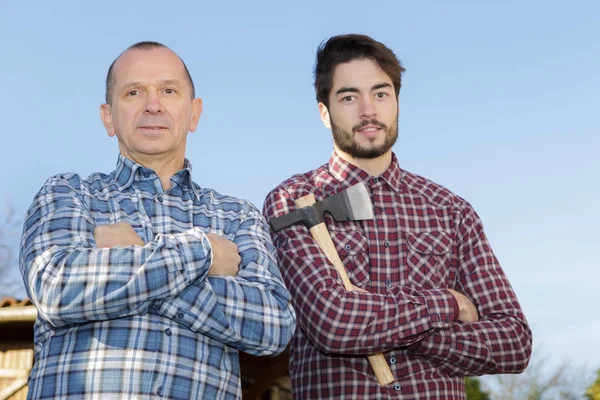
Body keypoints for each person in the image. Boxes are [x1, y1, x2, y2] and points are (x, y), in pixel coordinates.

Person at [19, 41, 295, 399]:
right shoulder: (68, 195)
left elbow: (272, 325)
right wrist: (201, 252)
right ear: (108, 117)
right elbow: (56, 287)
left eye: (169, 90)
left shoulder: (236, 216)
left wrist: (130, 261)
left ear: (194, 113)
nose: (153, 105)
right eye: (134, 92)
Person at [263, 34, 532, 399]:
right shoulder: (292, 201)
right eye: (348, 97)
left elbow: (513, 341)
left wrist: (388, 328)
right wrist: (448, 304)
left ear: (397, 103)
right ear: (324, 112)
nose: (368, 110)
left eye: (380, 94)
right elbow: (333, 324)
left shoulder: (451, 211)